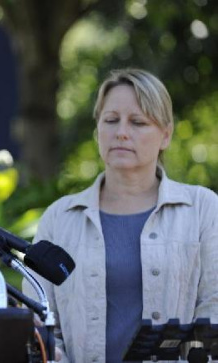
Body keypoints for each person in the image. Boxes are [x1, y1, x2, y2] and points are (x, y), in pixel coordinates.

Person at [23, 68, 218, 362]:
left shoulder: (204, 209)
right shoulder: (59, 218)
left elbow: (213, 310)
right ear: (97, 130)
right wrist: (53, 353)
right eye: (111, 120)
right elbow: (40, 320)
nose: (121, 132)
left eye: (137, 122)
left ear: (166, 135)